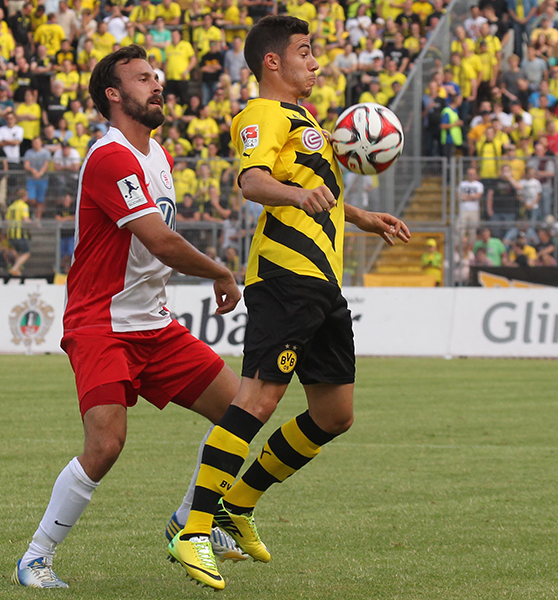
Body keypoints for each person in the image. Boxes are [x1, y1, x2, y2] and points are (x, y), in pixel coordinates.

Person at [170, 16, 410, 591]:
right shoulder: (260, 115)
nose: (315, 62)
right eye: (305, 51)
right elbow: (253, 183)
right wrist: (299, 194)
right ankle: (193, 528)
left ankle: (239, 504)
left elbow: (315, 191)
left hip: (323, 284)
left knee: (335, 414)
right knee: (257, 400)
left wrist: (361, 217)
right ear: (272, 62)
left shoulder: (307, 123)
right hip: (284, 278)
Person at [13, 45, 247, 589]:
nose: (157, 84)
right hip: (100, 323)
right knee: (106, 444)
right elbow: (161, 242)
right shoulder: (109, 156)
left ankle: (191, 521)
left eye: (156, 76)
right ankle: (36, 556)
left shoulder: (158, 155)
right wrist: (221, 271)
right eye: (143, 78)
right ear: (114, 95)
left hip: (153, 324)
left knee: (241, 411)